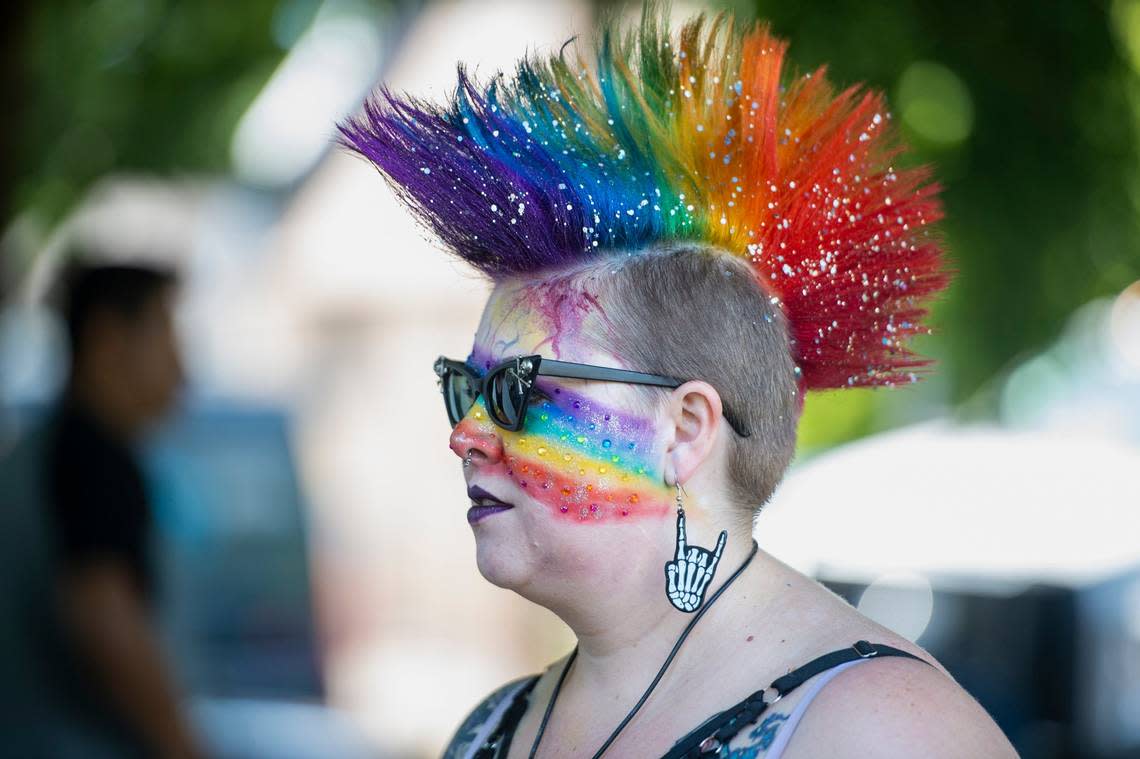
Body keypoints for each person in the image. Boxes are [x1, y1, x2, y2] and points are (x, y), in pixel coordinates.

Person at [340, 5, 1019, 758]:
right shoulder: (488, 733)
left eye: (517, 392)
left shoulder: (880, 730)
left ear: (686, 428)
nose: (465, 434)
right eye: (466, 387)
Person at [0, 261, 202, 757]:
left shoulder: (48, 450)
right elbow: (104, 624)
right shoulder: (93, 458)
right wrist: (185, 747)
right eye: (166, 333)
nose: (182, 369)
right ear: (109, 339)